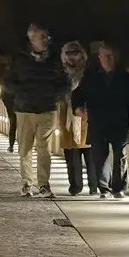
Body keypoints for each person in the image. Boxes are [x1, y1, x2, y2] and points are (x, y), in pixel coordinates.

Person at [72, 42, 129, 199]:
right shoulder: (91, 77)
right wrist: (78, 107)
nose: (107, 59)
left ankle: (119, 187)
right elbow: (78, 94)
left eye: (110, 56)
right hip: (98, 122)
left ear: (115, 57)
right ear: (99, 57)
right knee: (99, 156)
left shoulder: (126, 78)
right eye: (104, 56)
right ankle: (104, 188)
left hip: (119, 122)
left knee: (120, 156)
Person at [5, 23, 67, 198]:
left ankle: (44, 185)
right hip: (25, 109)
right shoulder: (19, 59)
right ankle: (26, 183)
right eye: (42, 36)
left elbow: (64, 81)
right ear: (32, 39)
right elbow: (8, 81)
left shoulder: (55, 58)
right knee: (25, 148)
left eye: (47, 36)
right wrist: (20, 93)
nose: (47, 39)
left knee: (43, 148)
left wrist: (57, 94)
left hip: (47, 108)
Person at [57, 41, 98, 196]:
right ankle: (75, 186)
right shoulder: (61, 73)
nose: (72, 57)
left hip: (85, 113)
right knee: (71, 152)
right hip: (67, 114)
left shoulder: (89, 72)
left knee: (90, 151)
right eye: (68, 53)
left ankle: (94, 185)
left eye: (75, 53)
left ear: (81, 54)